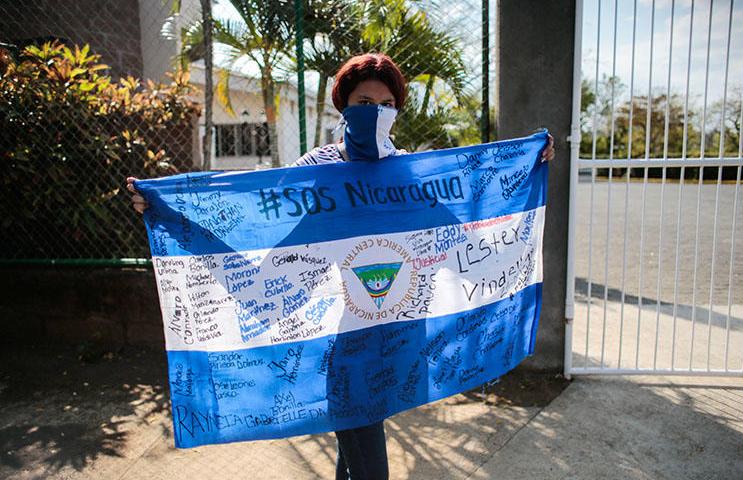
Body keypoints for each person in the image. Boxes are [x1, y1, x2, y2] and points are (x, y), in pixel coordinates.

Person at [127, 53, 554, 479]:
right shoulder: (316, 170)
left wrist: (529, 164)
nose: (376, 112)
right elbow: (264, 228)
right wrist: (167, 209)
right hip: (344, 339)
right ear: (343, 105)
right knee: (368, 460)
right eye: (365, 102)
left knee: (354, 447)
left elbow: (461, 234)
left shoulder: (409, 174)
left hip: (401, 336)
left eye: (386, 104)